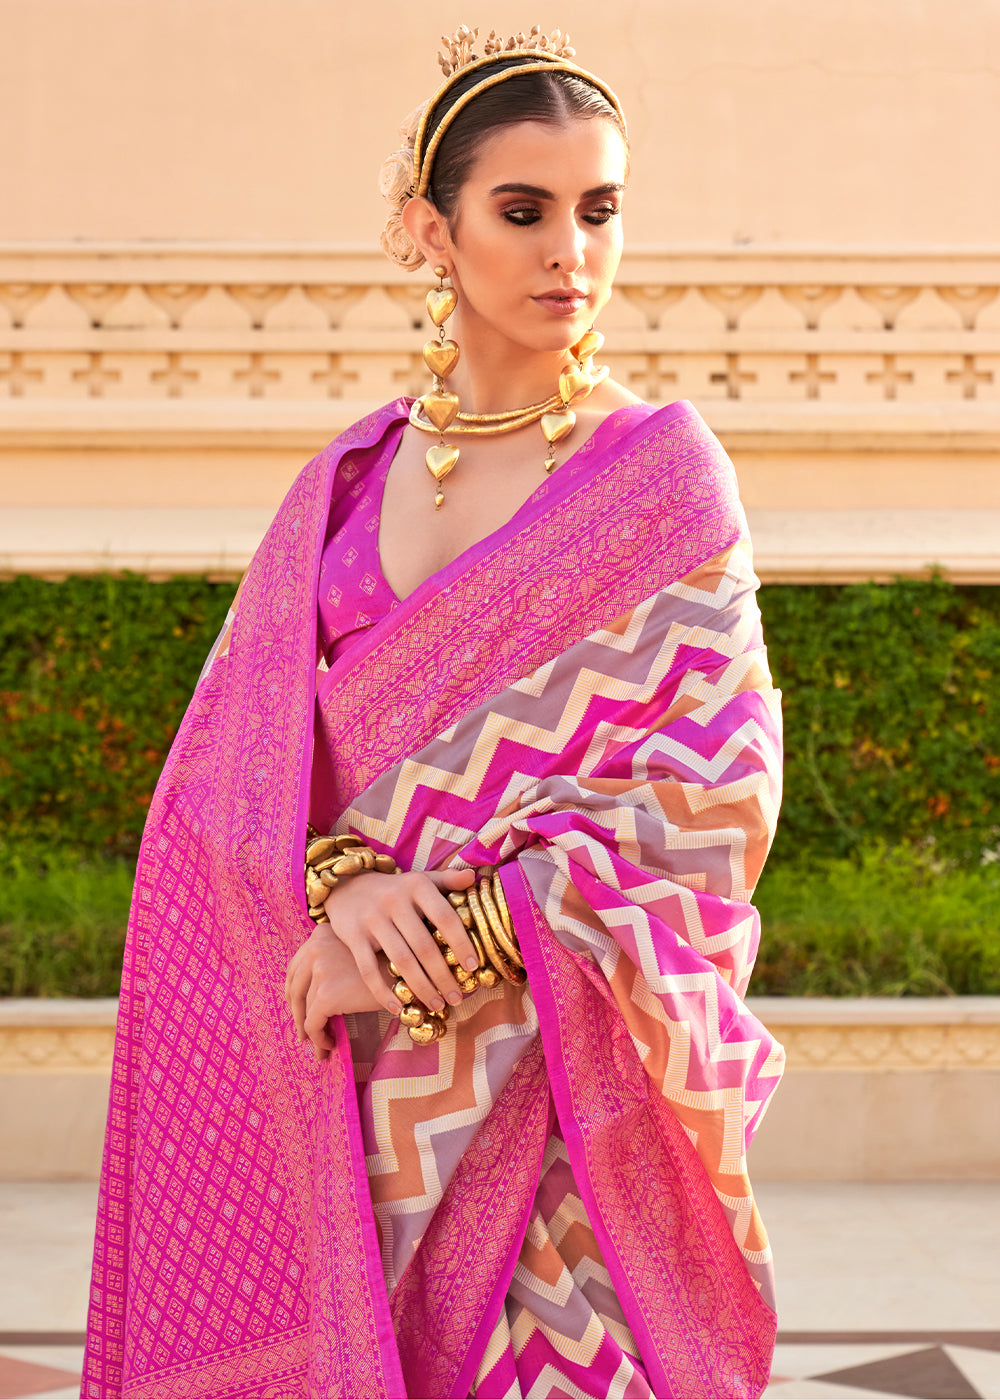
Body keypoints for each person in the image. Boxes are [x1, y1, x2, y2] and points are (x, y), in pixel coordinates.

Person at [83, 24, 784, 1400]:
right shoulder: (343, 484)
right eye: (523, 211)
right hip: (340, 1084)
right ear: (428, 228)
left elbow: (710, 806)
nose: (569, 252)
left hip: (552, 1093)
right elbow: (227, 784)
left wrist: (460, 939)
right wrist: (342, 888)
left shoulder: (661, 484)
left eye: (599, 210)